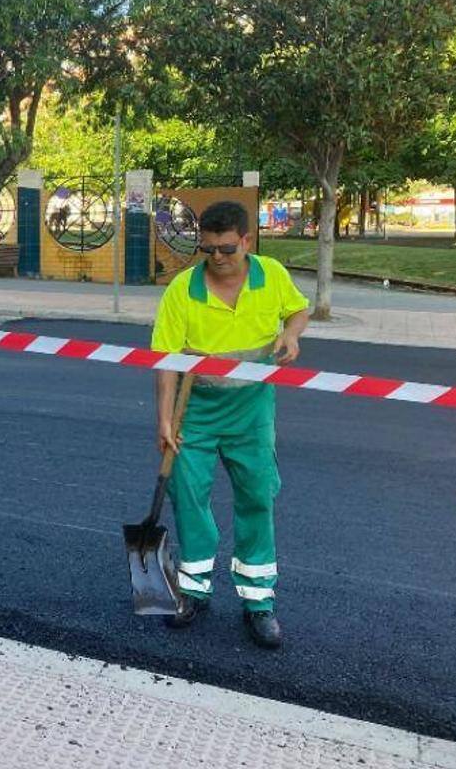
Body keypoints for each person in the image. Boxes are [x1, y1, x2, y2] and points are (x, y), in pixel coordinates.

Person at [150, 201, 310, 649]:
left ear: (246, 241)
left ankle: (259, 601)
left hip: (251, 410)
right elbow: (166, 360)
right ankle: (193, 590)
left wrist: (291, 332)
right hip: (195, 409)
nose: (217, 258)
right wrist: (165, 419)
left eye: (226, 249)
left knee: (257, 495)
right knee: (188, 496)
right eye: (208, 250)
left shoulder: (271, 275)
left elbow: (299, 310)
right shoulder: (183, 290)